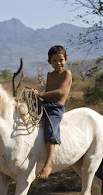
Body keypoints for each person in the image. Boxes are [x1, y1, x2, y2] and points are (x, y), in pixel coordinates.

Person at [34, 45, 72, 178]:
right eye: (54, 61)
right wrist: (37, 97)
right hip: (45, 104)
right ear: (49, 62)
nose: (58, 63)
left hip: (56, 107)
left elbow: (61, 92)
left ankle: (48, 164)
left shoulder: (67, 73)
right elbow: (49, 91)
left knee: (50, 129)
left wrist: (41, 94)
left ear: (66, 59)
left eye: (61, 60)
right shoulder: (50, 75)